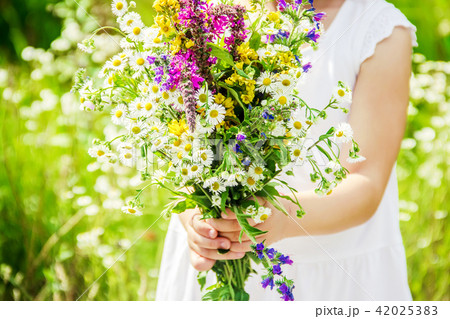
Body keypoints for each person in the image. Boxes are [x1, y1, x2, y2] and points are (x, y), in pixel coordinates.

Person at [156, 0, 417, 300]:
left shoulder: (377, 30)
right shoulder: (212, 14)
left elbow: (365, 183)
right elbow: (182, 147)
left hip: (330, 275)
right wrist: (198, 221)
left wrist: (279, 218)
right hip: (218, 259)